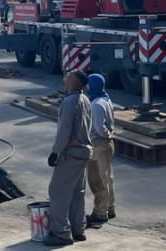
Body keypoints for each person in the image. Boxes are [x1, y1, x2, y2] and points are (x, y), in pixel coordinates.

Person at [45, 69, 92, 246]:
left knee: (57, 192)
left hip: (70, 154)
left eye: (68, 75)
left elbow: (64, 133)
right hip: (84, 153)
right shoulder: (85, 100)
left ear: (72, 81)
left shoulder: (69, 102)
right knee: (77, 193)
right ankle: (78, 229)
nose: (64, 77)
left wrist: (55, 152)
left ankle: (62, 233)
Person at [86, 73, 116, 228]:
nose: (86, 87)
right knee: (108, 178)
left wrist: (105, 135)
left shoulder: (96, 104)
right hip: (107, 144)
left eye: (88, 84)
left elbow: (99, 128)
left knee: (97, 180)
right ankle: (110, 208)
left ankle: (100, 213)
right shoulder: (106, 99)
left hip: (98, 145)